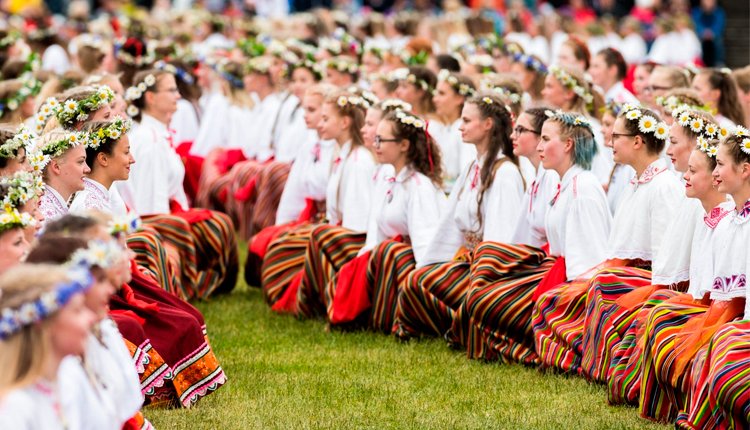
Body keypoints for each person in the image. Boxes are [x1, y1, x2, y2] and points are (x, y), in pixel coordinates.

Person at [605, 108, 721, 407]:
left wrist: (666, 289)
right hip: (679, 289)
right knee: (612, 295)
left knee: (648, 311)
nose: (669, 150)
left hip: (695, 297)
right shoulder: (687, 194)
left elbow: (680, 269)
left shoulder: (682, 194)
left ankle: (637, 386)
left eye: (675, 142)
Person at [638, 130, 749, 423]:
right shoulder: (731, 219)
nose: (715, 172)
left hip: (732, 318)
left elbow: (734, 302)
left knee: (716, 345)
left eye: (720, 165)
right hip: (720, 311)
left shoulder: (735, 222)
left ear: (745, 170)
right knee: (659, 314)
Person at [394, 94, 524, 339]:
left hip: (487, 271)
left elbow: (501, 239)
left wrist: (484, 277)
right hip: (466, 259)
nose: (460, 126)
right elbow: (449, 224)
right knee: (416, 280)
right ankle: (460, 323)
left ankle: (469, 323)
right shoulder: (472, 168)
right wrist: (430, 262)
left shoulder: (504, 172)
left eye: (467, 120)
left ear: (488, 124)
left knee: (418, 284)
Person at [119, 68, 239, 300]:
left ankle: (214, 279)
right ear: (151, 98)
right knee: (216, 225)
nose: (178, 95)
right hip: (153, 217)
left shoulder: (158, 134)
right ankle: (198, 282)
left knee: (219, 222)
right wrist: (178, 219)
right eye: (172, 90)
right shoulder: (149, 140)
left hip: (168, 211)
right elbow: (150, 206)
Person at [452, 107, 561, 362]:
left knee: (482, 282)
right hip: (533, 262)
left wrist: (505, 265)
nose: (513, 134)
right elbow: (519, 238)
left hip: (547, 268)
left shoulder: (547, 178)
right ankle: (470, 329)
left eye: (522, 130)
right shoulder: (537, 177)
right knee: (483, 263)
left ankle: (485, 338)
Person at [325, 110, 446, 332]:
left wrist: (420, 289)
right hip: (387, 259)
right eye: (376, 138)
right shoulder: (388, 179)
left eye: (382, 140)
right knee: (358, 265)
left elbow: (425, 246)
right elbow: (376, 232)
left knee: (389, 252)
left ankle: (401, 315)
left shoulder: (418, 186)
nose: (375, 144)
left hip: (407, 265)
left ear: (404, 145)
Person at [261, 92, 375, 314]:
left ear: (345, 122)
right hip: (337, 228)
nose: (319, 125)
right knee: (282, 244)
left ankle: (314, 300)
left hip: (351, 238)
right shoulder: (343, 154)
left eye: (325, 119)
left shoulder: (358, 161)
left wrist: (329, 231)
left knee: (304, 243)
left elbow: (357, 222)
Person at [0, 264, 98, 429]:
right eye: (78, 310)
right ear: (46, 325)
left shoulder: (67, 380)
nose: (91, 317)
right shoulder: (15, 409)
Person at [431, 69, 477, 188]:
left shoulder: (463, 131)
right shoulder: (448, 128)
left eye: (442, 93)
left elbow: (467, 174)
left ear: (459, 98)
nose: (435, 99)